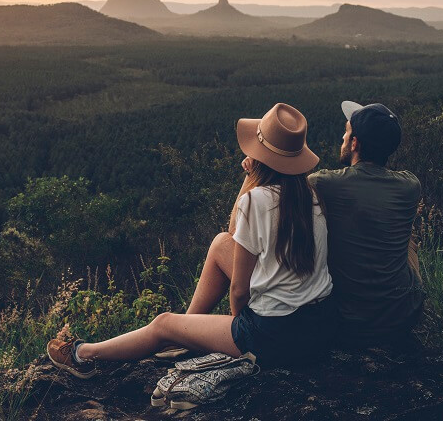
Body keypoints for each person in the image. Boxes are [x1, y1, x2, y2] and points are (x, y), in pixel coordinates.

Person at [46, 103, 334, 378]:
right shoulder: (312, 195)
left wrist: (239, 326)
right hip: (317, 329)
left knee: (163, 323)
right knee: (221, 243)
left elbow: (238, 290)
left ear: (261, 157)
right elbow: (233, 239)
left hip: (274, 337)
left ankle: (84, 355)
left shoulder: (256, 199)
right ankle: (185, 332)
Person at [308, 101, 424, 347]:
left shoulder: (324, 183)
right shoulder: (410, 185)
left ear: (355, 143)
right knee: (408, 238)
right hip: (403, 316)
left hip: (349, 322)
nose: (342, 135)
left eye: (347, 131)